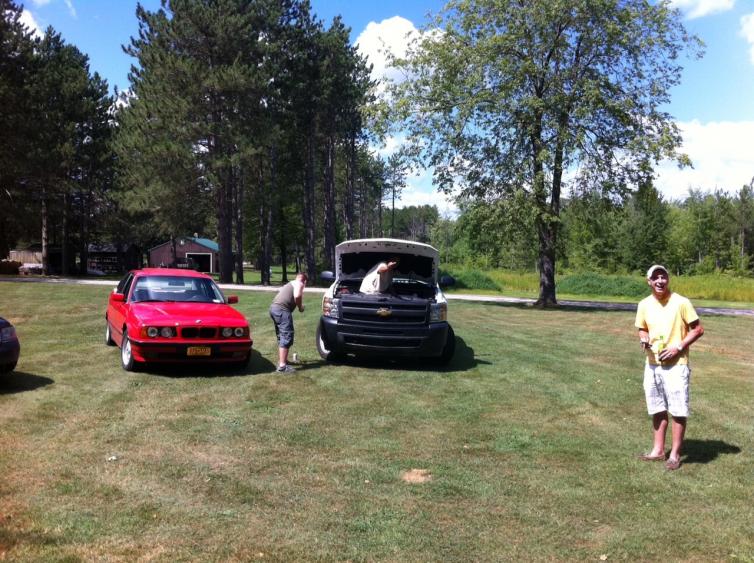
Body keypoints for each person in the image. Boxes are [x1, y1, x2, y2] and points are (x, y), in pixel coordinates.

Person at [635, 264, 704, 471]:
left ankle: (674, 455)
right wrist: (644, 338)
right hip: (652, 364)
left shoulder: (681, 302)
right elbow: (642, 328)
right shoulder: (644, 304)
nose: (660, 281)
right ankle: (658, 451)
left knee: (678, 410)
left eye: (663, 277)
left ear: (668, 280)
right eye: (655, 277)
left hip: (676, 365)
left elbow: (698, 329)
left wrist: (678, 347)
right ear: (649, 281)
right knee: (657, 408)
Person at [269, 272, 307, 373]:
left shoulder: (291, 283)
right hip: (282, 310)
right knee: (287, 335)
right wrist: (300, 307)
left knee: (282, 335)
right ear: (305, 281)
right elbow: (297, 296)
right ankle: (282, 366)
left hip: (274, 308)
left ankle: (282, 361)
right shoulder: (300, 283)